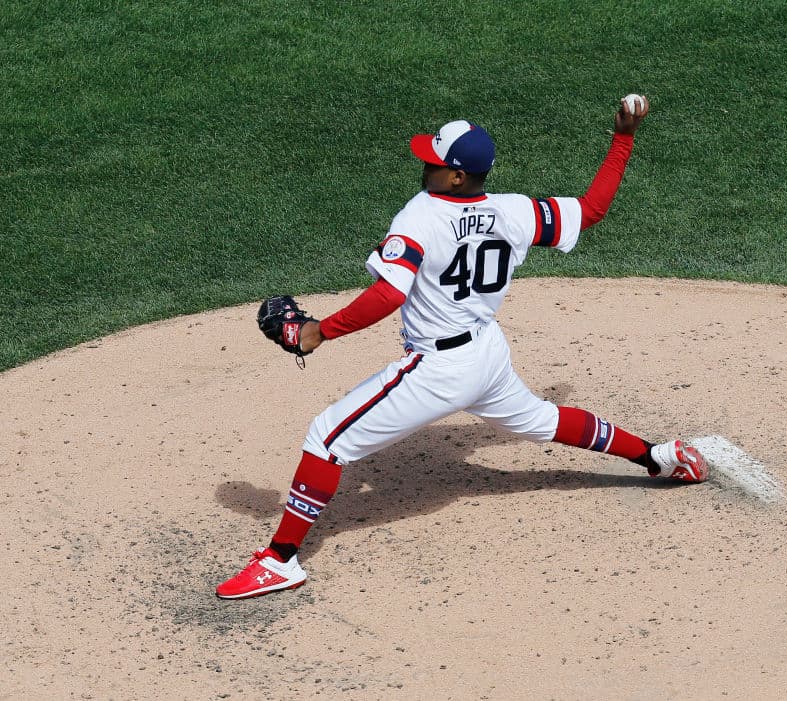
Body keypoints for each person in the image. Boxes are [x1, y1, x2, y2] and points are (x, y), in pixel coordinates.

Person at [216, 95, 708, 600]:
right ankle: (657, 456)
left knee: (325, 438)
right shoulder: (513, 211)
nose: (424, 166)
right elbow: (592, 209)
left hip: (439, 368)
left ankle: (280, 561)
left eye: (433, 162)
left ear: (455, 176)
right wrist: (623, 138)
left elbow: (389, 293)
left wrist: (315, 332)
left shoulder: (421, 215)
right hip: (487, 354)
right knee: (541, 418)